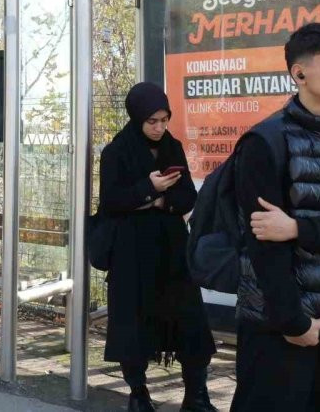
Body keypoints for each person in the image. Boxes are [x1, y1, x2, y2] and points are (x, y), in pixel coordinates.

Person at [230, 23, 320, 412]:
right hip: (279, 328)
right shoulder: (265, 141)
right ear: (299, 74)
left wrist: (297, 227)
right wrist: (293, 323)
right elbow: (263, 244)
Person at [98, 82, 216, 412]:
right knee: (133, 326)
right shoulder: (116, 152)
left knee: (190, 320)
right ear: (137, 118)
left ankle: (196, 395)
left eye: (164, 120)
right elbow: (111, 201)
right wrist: (149, 189)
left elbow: (187, 197)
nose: (159, 127)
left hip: (172, 250)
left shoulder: (172, 147)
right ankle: (138, 395)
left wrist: (158, 201)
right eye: (152, 121)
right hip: (131, 253)